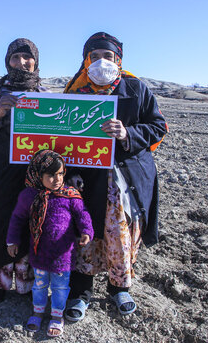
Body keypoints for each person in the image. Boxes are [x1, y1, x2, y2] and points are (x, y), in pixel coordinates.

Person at [63, 32, 168, 318]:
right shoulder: (75, 93)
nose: (101, 63)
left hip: (125, 180)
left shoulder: (136, 89)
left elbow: (158, 127)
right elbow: (60, 140)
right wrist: (70, 173)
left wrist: (127, 133)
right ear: (85, 61)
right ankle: (81, 291)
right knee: (85, 233)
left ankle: (118, 288)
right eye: (94, 57)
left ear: (118, 59)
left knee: (119, 235)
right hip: (88, 180)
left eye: (107, 57)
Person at [0, 38, 45, 302]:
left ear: (36, 61)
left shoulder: (45, 95)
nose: (21, 63)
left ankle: (27, 287)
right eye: (15, 58)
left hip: (31, 175)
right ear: (7, 61)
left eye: (27, 57)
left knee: (31, 223)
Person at [6, 150, 93, 337]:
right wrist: (12, 240)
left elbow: (82, 214)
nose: (57, 179)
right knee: (39, 285)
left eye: (61, 174)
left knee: (61, 287)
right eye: (51, 175)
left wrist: (87, 231)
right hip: (39, 254)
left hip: (63, 254)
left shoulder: (70, 195)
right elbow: (18, 218)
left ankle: (56, 316)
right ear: (38, 175)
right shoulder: (30, 196)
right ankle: (37, 312)